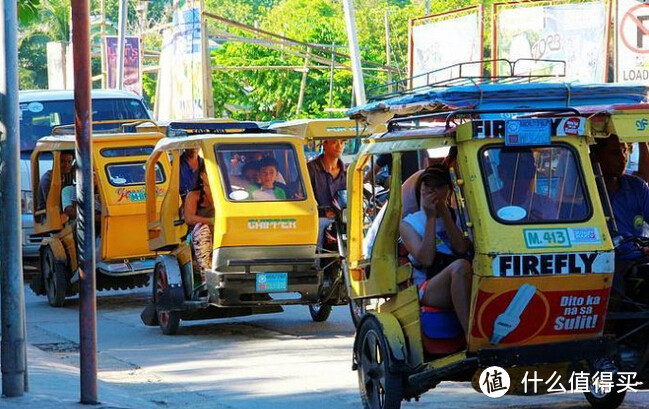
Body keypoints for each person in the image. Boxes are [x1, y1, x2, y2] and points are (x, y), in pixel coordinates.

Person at [399, 166, 472, 335]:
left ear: (448, 190)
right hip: (428, 285)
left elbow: (461, 247)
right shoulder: (408, 224)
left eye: (438, 186)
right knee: (460, 267)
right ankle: (471, 336)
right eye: (427, 186)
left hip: (459, 277)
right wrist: (431, 217)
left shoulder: (459, 216)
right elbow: (426, 259)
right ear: (421, 189)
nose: (432, 191)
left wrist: (445, 215)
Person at [590, 135, 649, 259]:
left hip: (637, 260)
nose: (623, 158)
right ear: (595, 156)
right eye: (615, 153)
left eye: (625, 151)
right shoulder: (584, 190)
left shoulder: (638, 187)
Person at [184, 168, 215, 274]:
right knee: (203, 229)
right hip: (196, 237)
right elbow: (189, 218)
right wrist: (211, 221)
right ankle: (206, 271)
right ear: (202, 175)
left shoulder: (228, 193)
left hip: (220, 234)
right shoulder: (193, 195)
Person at [307, 139, 346, 210]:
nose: (339, 146)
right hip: (318, 218)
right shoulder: (310, 169)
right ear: (324, 144)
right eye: (334, 142)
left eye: (342, 142)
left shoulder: (348, 172)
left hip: (345, 218)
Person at [38, 150, 75, 219]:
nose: (66, 165)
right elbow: (53, 204)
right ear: (56, 162)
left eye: (69, 162)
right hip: (48, 217)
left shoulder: (68, 173)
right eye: (62, 161)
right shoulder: (48, 179)